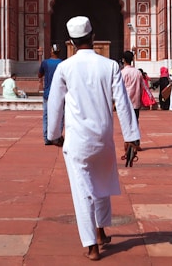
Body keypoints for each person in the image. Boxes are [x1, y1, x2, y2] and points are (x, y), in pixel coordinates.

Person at [48, 16, 140, 262]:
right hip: (103, 139)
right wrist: (131, 137)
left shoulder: (64, 67)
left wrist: (54, 135)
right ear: (92, 36)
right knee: (101, 186)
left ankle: (91, 245)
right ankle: (100, 231)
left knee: (83, 192)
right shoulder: (109, 65)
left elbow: (54, 105)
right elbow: (122, 102)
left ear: (71, 41)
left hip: (77, 140)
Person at [37, 43, 64, 143]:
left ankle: (46, 138)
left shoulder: (45, 63)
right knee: (60, 115)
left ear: (51, 51)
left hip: (48, 92)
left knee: (46, 115)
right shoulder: (62, 63)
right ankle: (57, 137)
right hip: (60, 93)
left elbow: (39, 75)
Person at [120, 51, 143, 120]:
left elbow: (120, 88)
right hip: (136, 101)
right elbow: (142, 88)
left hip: (125, 102)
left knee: (126, 124)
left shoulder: (122, 73)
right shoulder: (138, 72)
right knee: (135, 122)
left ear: (123, 60)